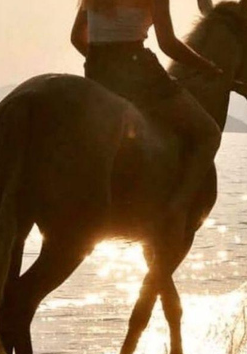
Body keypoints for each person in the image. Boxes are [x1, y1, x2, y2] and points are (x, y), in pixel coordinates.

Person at [71, 0, 223, 236]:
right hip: (139, 73)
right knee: (208, 133)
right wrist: (206, 66)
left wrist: (105, 62)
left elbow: (77, 38)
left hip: (97, 72)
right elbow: (168, 44)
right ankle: (178, 206)